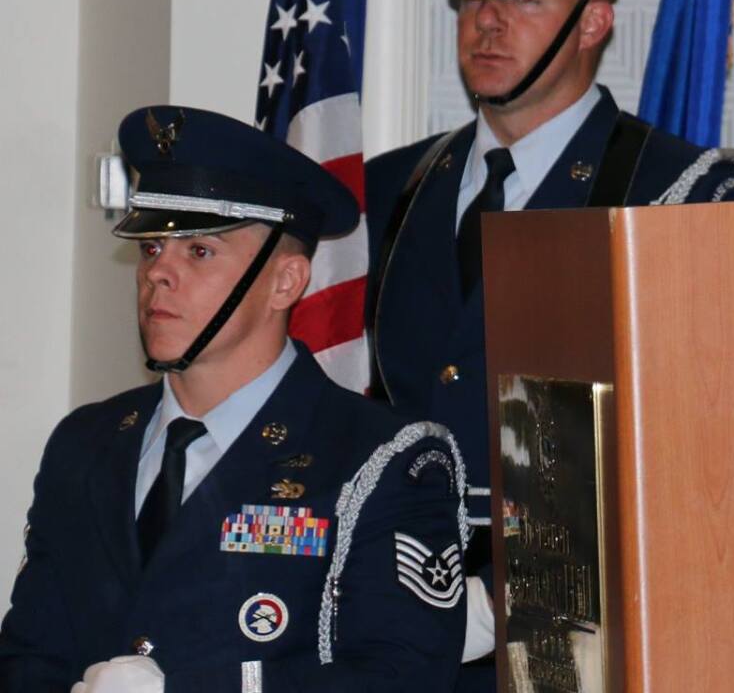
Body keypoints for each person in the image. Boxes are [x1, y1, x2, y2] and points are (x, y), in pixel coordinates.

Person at [362, 0, 734, 688]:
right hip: (384, 620)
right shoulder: (388, 189)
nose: (490, 21)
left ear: (595, 21)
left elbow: (703, 443)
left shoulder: (675, 192)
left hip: (573, 637)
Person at [0, 107, 466, 692]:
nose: (158, 275)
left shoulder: (381, 459)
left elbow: (399, 677)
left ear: (285, 282)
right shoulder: (86, 443)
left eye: (198, 252)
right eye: (150, 251)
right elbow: (30, 655)